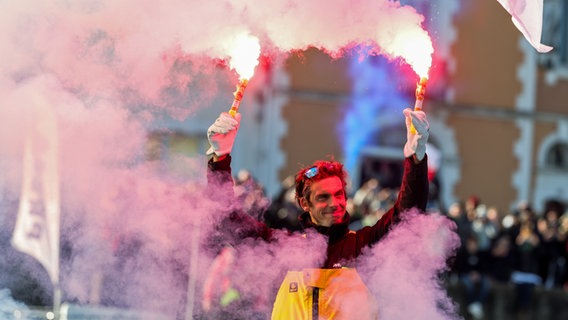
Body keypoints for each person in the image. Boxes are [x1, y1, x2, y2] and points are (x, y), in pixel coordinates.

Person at [205, 107, 430, 319]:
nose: (335, 203)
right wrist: (220, 158)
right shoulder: (285, 248)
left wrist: (416, 158)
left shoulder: (361, 245)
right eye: (323, 197)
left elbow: (408, 217)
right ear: (305, 204)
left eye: (339, 194)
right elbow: (229, 223)